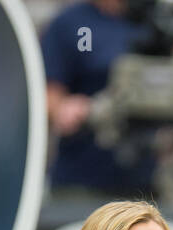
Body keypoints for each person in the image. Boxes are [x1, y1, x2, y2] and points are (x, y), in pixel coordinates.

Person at [40, 0, 154, 197]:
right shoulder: (72, 23)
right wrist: (67, 108)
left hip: (152, 180)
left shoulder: (158, 20)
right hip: (84, 176)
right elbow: (48, 96)